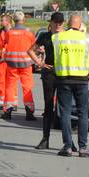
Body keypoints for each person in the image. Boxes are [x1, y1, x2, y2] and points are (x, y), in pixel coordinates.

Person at [54, 13, 89, 157]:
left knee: (65, 113)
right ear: (80, 25)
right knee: (83, 113)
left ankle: (67, 147)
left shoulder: (58, 38)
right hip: (82, 81)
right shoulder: (88, 39)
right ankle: (83, 148)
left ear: (68, 24)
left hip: (64, 80)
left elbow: (51, 58)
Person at [28, 12, 65, 149]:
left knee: (63, 107)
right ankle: (45, 139)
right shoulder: (45, 36)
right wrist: (40, 62)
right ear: (51, 22)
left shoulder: (66, 36)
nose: (58, 25)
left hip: (63, 73)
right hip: (49, 73)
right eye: (56, 22)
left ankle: (68, 142)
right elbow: (30, 51)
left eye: (60, 22)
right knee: (48, 106)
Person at [1, 11, 36, 121]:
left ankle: (8, 112)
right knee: (27, 88)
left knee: (10, 87)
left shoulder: (9, 32)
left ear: (14, 21)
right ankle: (29, 112)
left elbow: (6, 44)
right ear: (23, 20)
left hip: (12, 64)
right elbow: (34, 46)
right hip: (26, 64)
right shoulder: (29, 33)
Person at [0, 14, 12, 110]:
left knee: (11, 82)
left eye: (2, 20)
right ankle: (1, 102)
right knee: (1, 81)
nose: (0, 22)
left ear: (8, 22)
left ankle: (11, 103)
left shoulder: (13, 32)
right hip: (1, 60)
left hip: (10, 60)